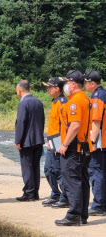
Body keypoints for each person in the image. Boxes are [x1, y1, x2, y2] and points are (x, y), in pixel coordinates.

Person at [55, 70, 91, 226]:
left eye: (67, 82)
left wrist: (64, 144)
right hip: (83, 147)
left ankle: (74, 215)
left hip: (73, 148)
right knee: (82, 181)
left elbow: (75, 125)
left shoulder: (75, 101)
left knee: (72, 181)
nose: (65, 86)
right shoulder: (86, 99)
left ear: (73, 84)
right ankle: (82, 214)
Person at [15, 80, 45, 202]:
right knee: (35, 166)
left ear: (19, 90)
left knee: (27, 166)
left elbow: (21, 123)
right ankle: (35, 192)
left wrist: (18, 140)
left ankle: (28, 193)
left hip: (26, 140)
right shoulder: (38, 101)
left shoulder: (23, 103)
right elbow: (42, 120)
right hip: (38, 139)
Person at [42, 77, 69, 208]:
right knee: (48, 170)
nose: (47, 89)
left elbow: (66, 125)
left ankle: (65, 197)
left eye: (49, 87)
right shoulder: (54, 101)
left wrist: (64, 144)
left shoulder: (63, 102)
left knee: (58, 170)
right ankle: (55, 194)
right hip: (51, 141)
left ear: (57, 88)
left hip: (59, 141)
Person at [83, 70, 106, 216]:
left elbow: (96, 121)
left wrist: (91, 142)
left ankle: (98, 205)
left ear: (92, 83)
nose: (84, 85)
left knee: (96, 172)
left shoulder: (97, 96)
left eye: (85, 83)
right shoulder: (104, 93)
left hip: (100, 142)